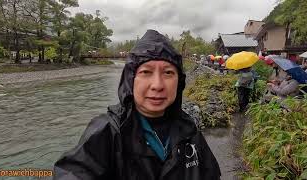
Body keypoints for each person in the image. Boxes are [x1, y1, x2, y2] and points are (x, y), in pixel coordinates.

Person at [53, 29, 221, 180]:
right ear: (130, 80)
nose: (157, 85)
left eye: (168, 73)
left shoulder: (189, 131)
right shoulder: (108, 131)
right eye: (146, 72)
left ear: (179, 81)